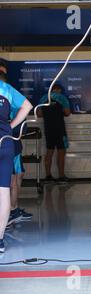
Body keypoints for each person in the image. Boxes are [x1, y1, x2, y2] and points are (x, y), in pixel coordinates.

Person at [0, 70, 34, 253]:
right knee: (3, 191)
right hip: (5, 142)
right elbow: (27, 106)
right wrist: (10, 127)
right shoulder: (5, 88)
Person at [37, 84, 71, 183]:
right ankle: (61, 176)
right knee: (61, 152)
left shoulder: (43, 98)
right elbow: (67, 112)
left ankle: (48, 176)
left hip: (48, 128)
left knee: (49, 152)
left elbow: (39, 114)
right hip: (60, 129)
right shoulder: (62, 98)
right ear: (58, 90)